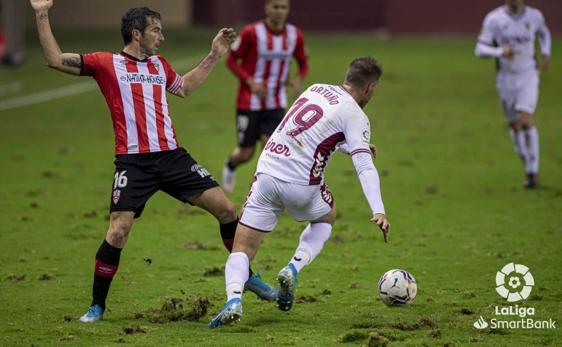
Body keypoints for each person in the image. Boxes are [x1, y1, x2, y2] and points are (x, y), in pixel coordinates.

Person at [29, 0, 278, 323]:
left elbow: (185, 88)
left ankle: (246, 275)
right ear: (137, 33)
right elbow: (53, 59)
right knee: (118, 231)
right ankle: (97, 305)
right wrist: (41, 13)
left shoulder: (159, 65)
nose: (161, 37)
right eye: (156, 30)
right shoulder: (106, 63)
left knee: (227, 210)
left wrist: (215, 53)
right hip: (134, 164)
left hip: (173, 157)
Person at [209, 57, 391, 328]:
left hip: (267, 173)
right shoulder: (356, 114)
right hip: (300, 185)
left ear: (348, 77)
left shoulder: (315, 89)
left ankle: (233, 300)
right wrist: (378, 209)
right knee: (326, 216)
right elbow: (364, 165)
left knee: (242, 247)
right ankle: (292, 267)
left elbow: (304, 132)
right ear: (370, 88)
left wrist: (347, 146)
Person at [221, 0, 308, 193]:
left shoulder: (295, 35)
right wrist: (251, 81)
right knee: (246, 153)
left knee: (271, 150)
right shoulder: (251, 33)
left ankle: (264, 193)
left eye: (283, 7)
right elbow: (232, 61)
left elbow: (303, 63)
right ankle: (230, 165)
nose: (279, 11)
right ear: (266, 8)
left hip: (276, 103)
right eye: (275, 7)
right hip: (248, 102)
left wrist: (297, 79)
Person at [475, 0, 551, 189]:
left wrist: (546, 51)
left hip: (528, 75)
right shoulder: (494, 19)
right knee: (515, 127)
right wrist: (500, 51)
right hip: (505, 79)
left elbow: (544, 32)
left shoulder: (534, 16)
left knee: (525, 120)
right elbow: (479, 49)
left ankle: (533, 171)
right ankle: (528, 167)